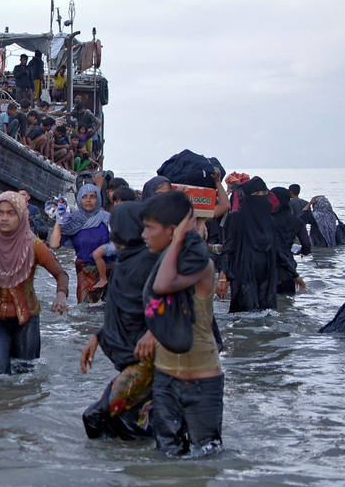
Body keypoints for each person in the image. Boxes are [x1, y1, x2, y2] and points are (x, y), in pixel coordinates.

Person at [141, 192, 224, 457]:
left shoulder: (201, 264)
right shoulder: (163, 261)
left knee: (206, 455)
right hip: (166, 375)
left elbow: (162, 286)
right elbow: (163, 307)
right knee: (166, 456)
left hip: (202, 378)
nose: (144, 234)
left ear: (172, 231)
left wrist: (178, 241)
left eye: (150, 228)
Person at [79, 201, 156, 440]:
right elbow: (120, 310)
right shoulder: (124, 261)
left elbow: (163, 304)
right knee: (127, 423)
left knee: (94, 417)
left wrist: (153, 332)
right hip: (129, 357)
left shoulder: (149, 263)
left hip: (145, 361)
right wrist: (98, 336)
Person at [0, 191, 68, 374]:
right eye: (0, 213)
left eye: (10, 213)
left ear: (21, 215)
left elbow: (61, 274)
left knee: (26, 378)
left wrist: (61, 295)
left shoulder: (34, 245)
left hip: (27, 319)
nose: (4, 218)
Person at [221, 177, 286, 312]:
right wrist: (222, 276)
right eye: (256, 194)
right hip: (244, 274)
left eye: (264, 193)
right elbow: (228, 247)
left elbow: (278, 250)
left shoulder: (269, 220)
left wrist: (295, 275)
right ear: (248, 196)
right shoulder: (236, 218)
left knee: (267, 314)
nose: (261, 197)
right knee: (246, 314)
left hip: (267, 276)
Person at [51, 184, 111, 303]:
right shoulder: (72, 220)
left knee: (111, 307)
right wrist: (59, 221)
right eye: (84, 197)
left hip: (110, 270)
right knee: (85, 308)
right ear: (79, 199)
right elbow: (54, 244)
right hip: (85, 271)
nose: (88, 200)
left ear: (98, 199)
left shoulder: (107, 219)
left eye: (92, 197)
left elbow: (120, 243)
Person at [269, 186, 309, 296]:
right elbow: (306, 246)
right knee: (288, 301)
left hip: (268, 268)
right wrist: (301, 252)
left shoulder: (266, 219)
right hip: (289, 269)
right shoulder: (297, 222)